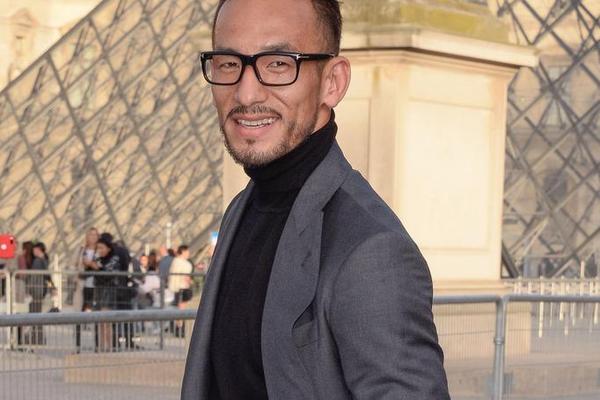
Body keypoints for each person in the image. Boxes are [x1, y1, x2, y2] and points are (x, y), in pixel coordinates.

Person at [182, 1, 450, 399]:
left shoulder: (371, 252)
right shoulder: (242, 209)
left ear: (333, 82)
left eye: (278, 64)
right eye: (228, 63)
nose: (246, 92)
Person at [168, 245, 193, 337]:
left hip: (174, 288)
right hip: (183, 287)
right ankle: (180, 328)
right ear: (183, 251)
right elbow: (187, 277)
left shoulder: (174, 261)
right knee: (182, 309)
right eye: (187, 252)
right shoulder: (186, 264)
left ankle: (177, 328)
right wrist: (190, 282)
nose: (188, 254)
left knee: (177, 308)